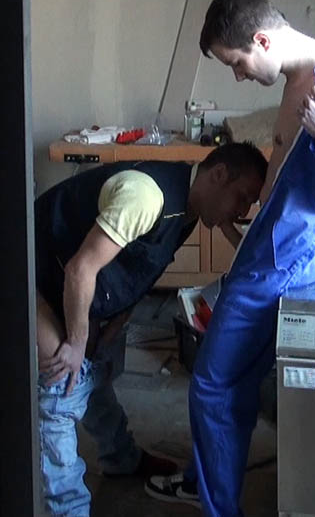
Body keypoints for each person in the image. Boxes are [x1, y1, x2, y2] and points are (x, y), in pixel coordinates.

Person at [145, 0, 315, 515]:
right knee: (230, 384)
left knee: (211, 385)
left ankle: (215, 503)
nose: (238, 76)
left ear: (262, 40)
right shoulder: (296, 80)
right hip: (271, 248)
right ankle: (206, 482)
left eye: (236, 63)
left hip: (287, 258)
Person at [35, 142, 268, 516]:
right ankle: (68, 509)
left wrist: (114, 324)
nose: (242, 213)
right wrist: (77, 342)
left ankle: (120, 459)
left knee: (95, 373)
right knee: (60, 387)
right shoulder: (145, 197)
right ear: (220, 174)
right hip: (34, 268)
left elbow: (141, 268)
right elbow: (80, 270)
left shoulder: (190, 209)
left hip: (75, 280)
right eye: (242, 198)